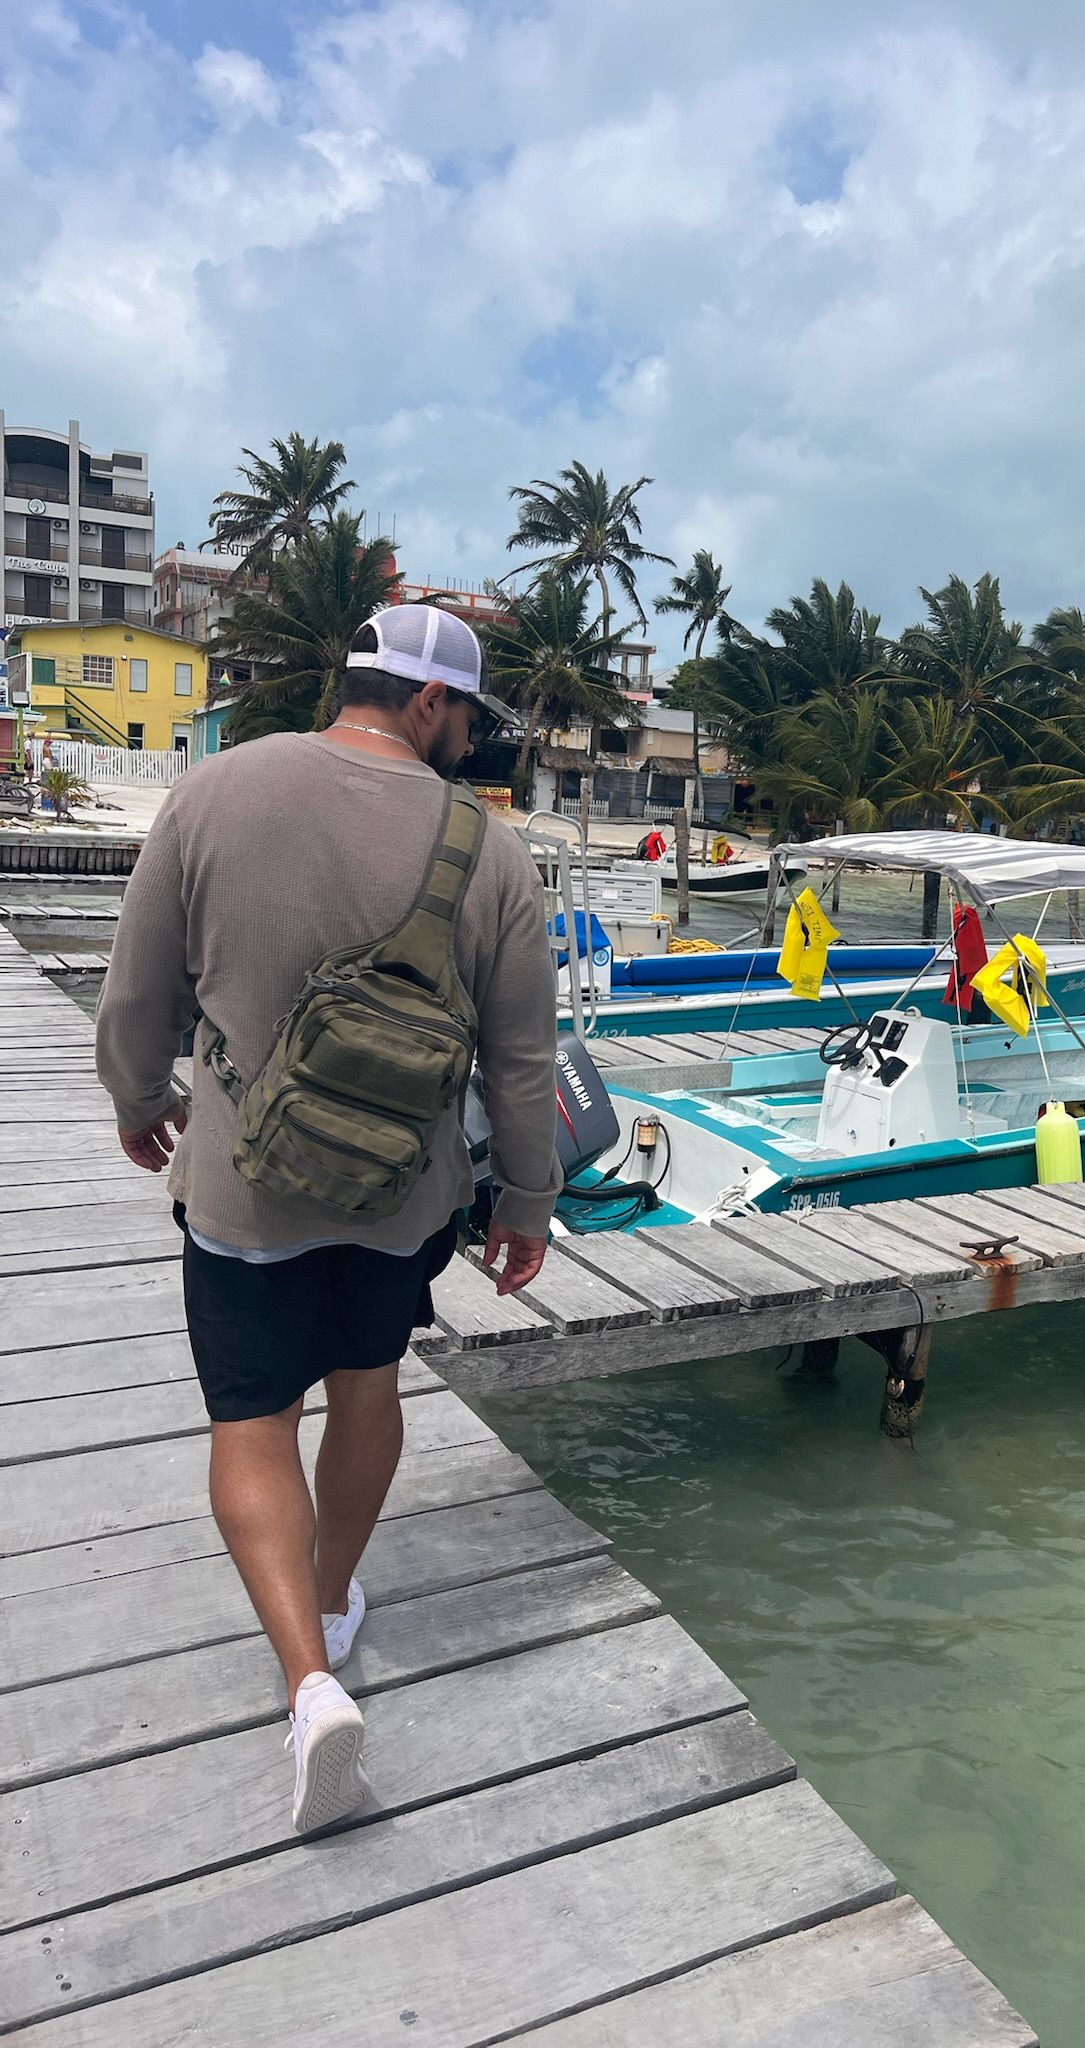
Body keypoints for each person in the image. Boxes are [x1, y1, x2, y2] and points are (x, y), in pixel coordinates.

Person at [95, 604, 561, 1834]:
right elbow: (522, 1064)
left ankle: (308, 1679)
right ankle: (337, 1592)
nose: (469, 738)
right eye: (466, 715)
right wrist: (526, 1201)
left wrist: (145, 1102)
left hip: (244, 1182)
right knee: (366, 1384)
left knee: (253, 1421)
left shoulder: (211, 794)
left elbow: (136, 991)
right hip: (402, 1199)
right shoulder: (495, 853)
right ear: (425, 701)